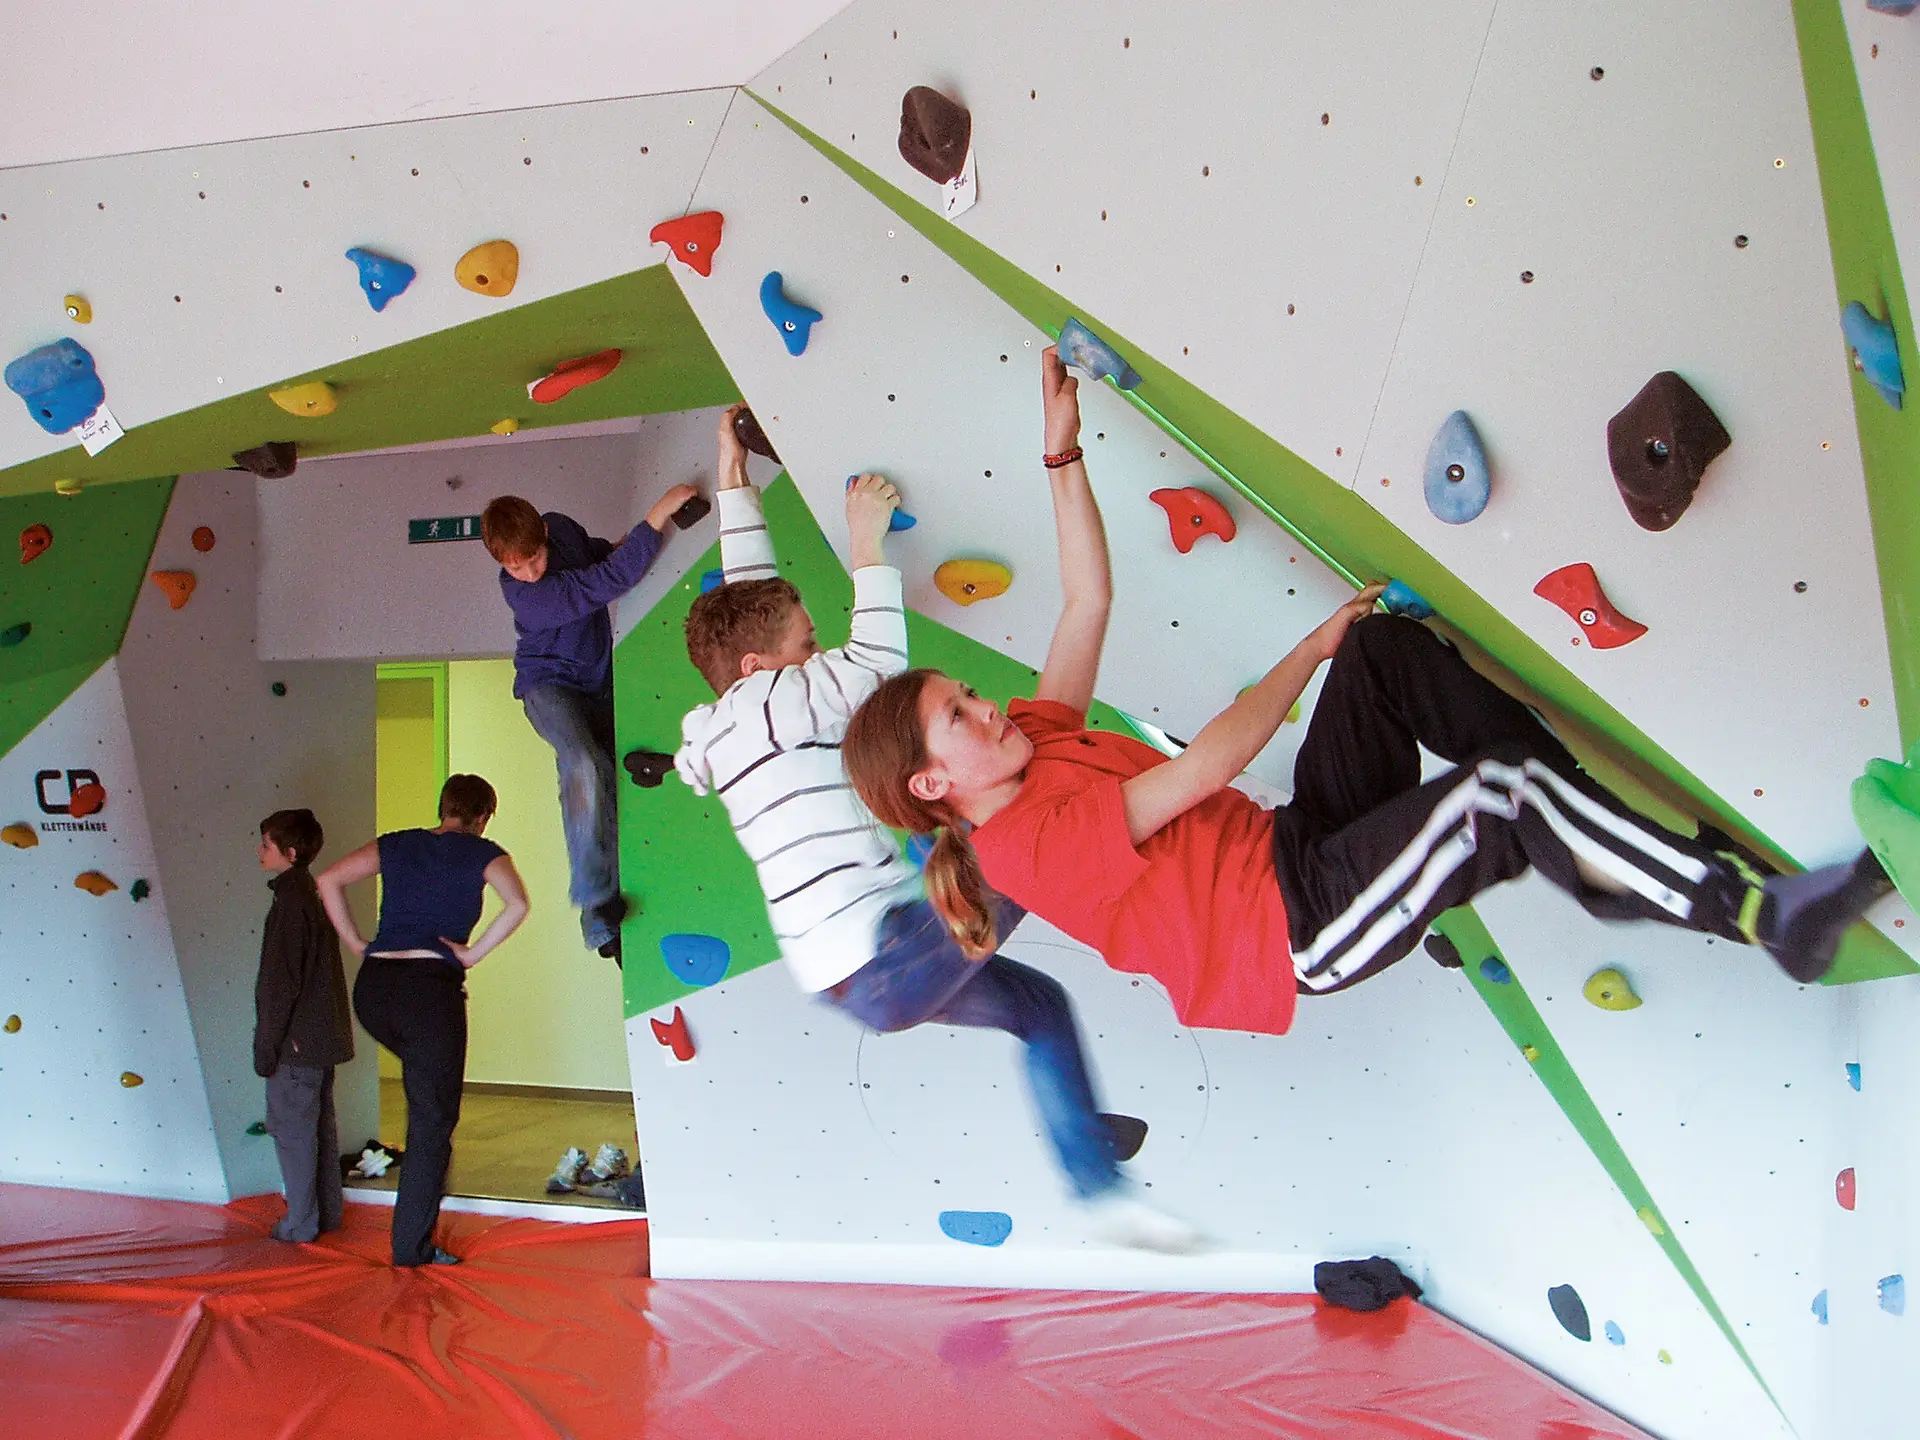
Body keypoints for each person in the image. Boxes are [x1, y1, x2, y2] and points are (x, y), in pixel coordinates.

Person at [841, 348, 1891, 1038]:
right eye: (962, 719)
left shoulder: (1031, 741)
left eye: (970, 693)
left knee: (1383, 654)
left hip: (1294, 846)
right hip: (1297, 927)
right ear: (936, 783)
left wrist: (1059, 443)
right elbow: (1212, 764)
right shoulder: (1023, 845)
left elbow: (1087, 602)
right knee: (1494, 800)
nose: (990, 708)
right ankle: (1761, 915)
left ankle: (1595, 831)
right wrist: (1308, 642)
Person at [671, 405, 1198, 1251]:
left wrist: (733, 474)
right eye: (809, 647)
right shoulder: (774, 700)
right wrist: (866, 542)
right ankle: (1161, 839)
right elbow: (880, 670)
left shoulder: (740, 718)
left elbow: (749, 609)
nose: (820, 658)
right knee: (1017, 850)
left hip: (862, 976)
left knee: (1038, 1002)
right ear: (760, 670)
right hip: (884, 950)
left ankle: (1101, 1190)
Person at [316, 774, 529, 1267]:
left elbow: (328, 880)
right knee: (431, 1121)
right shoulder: (484, 852)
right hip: (428, 993)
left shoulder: (398, 844)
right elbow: (517, 904)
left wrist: (356, 943)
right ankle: (410, 1249)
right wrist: (472, 954)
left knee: (422, 1079)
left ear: (443, 808)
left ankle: (414, 1231)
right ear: (483, 817)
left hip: (373, 992)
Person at [481, 482, 699, 963]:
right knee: (581, 762)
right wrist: (660, 511)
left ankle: (609, 926)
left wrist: (649, 533)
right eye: (514, 567)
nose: (530, 573)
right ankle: (594, 898)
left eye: (534, 559)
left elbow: (602, 558)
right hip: (548, 686)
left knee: (611, 781)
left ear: (543, 533)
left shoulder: (560, 527)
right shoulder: (525, 596)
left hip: (598, 682)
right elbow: (610, 582)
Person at [252, 808, 353, 1244]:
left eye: (266, 845)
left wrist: (265, 1048)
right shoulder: (311, 898)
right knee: (318, 1131)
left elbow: (279, 988)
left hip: (296, 1046)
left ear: (289, 853)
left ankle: (300, 1223)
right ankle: (324, 1214)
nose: (259, 852)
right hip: (319, 1041)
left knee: (294, 1133)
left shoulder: (290, 906)